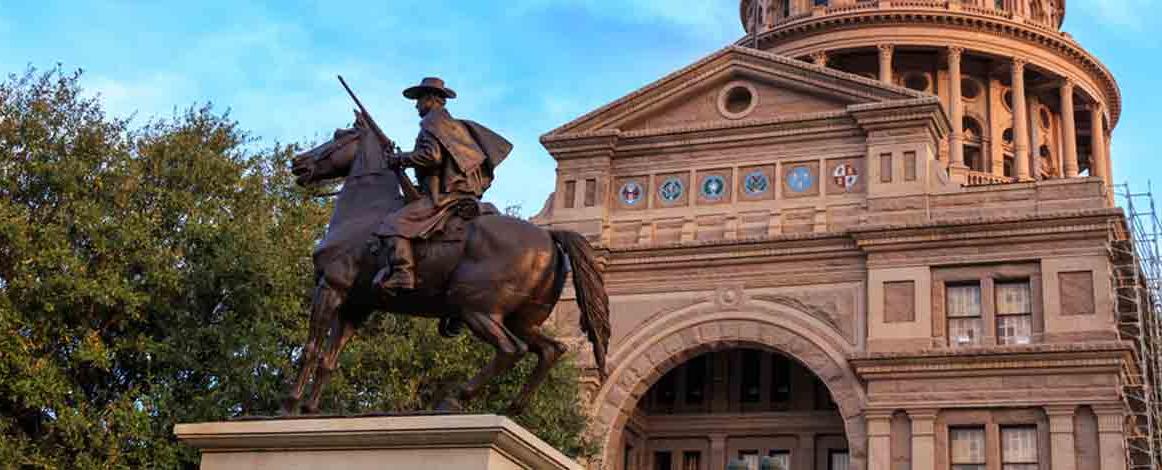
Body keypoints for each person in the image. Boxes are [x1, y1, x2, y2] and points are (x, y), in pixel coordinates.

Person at [373, 77, 511, 294]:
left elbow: (432, 156)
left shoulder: (432, 123)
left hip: (445, 195)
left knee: (393, 223)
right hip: (461, 192)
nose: (416, 105)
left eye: (419, 100)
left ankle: (403, 272)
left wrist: (401, 159)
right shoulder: (452, 126)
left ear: (430, 99)